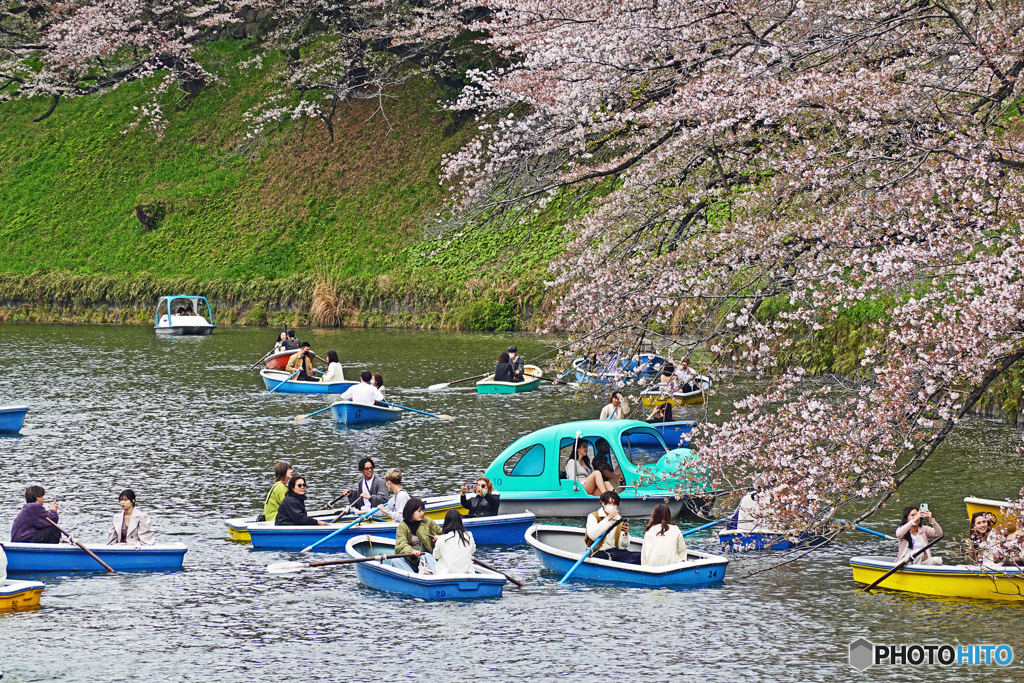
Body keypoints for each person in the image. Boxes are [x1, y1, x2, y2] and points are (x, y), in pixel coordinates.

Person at [585, 491, 641, 564]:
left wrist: (625, 534)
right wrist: (608, 519)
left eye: (615, 504)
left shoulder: (619, 519)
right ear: (603, 503)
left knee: (641, 556)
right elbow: (593, 535)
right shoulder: (593, 516)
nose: (612, 506)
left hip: (616, 552)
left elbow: (623, 546)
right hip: (599, 552)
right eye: (610, 503)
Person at [393, 498, 441, 574]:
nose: (422, 513)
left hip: (428, 559)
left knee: (425, 556)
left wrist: (439, 538)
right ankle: (413, 578)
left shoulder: (428, 522)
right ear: (411, 512)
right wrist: (412, 552)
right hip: (412, 561)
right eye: (419, 511)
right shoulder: (402, 526)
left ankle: (439, 576)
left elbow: (442, 533)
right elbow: (401, 544)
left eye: (423, 510)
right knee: (395, 561)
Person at [433, 509, 476, 575]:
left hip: (447, 574)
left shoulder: (441, 539)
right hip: (467, 573)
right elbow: (472, 550)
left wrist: (438, 541)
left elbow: (436, 556)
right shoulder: (469, 535)